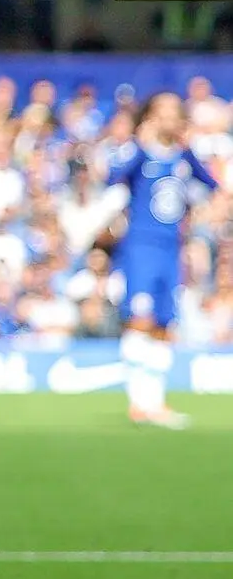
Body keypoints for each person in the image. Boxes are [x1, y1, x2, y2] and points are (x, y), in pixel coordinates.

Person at [100, 92, 214, 431]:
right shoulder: (140, 153)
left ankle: (156, 402)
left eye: (174, 112)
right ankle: (139, 401)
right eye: (161, 112)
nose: (168, 119)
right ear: (150, 117)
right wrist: (140, 144)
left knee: (166, 323)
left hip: (171, 247)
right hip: (141, 246)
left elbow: (211, 184)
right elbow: (112, 177)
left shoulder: (183, 157)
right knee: (139, 319)